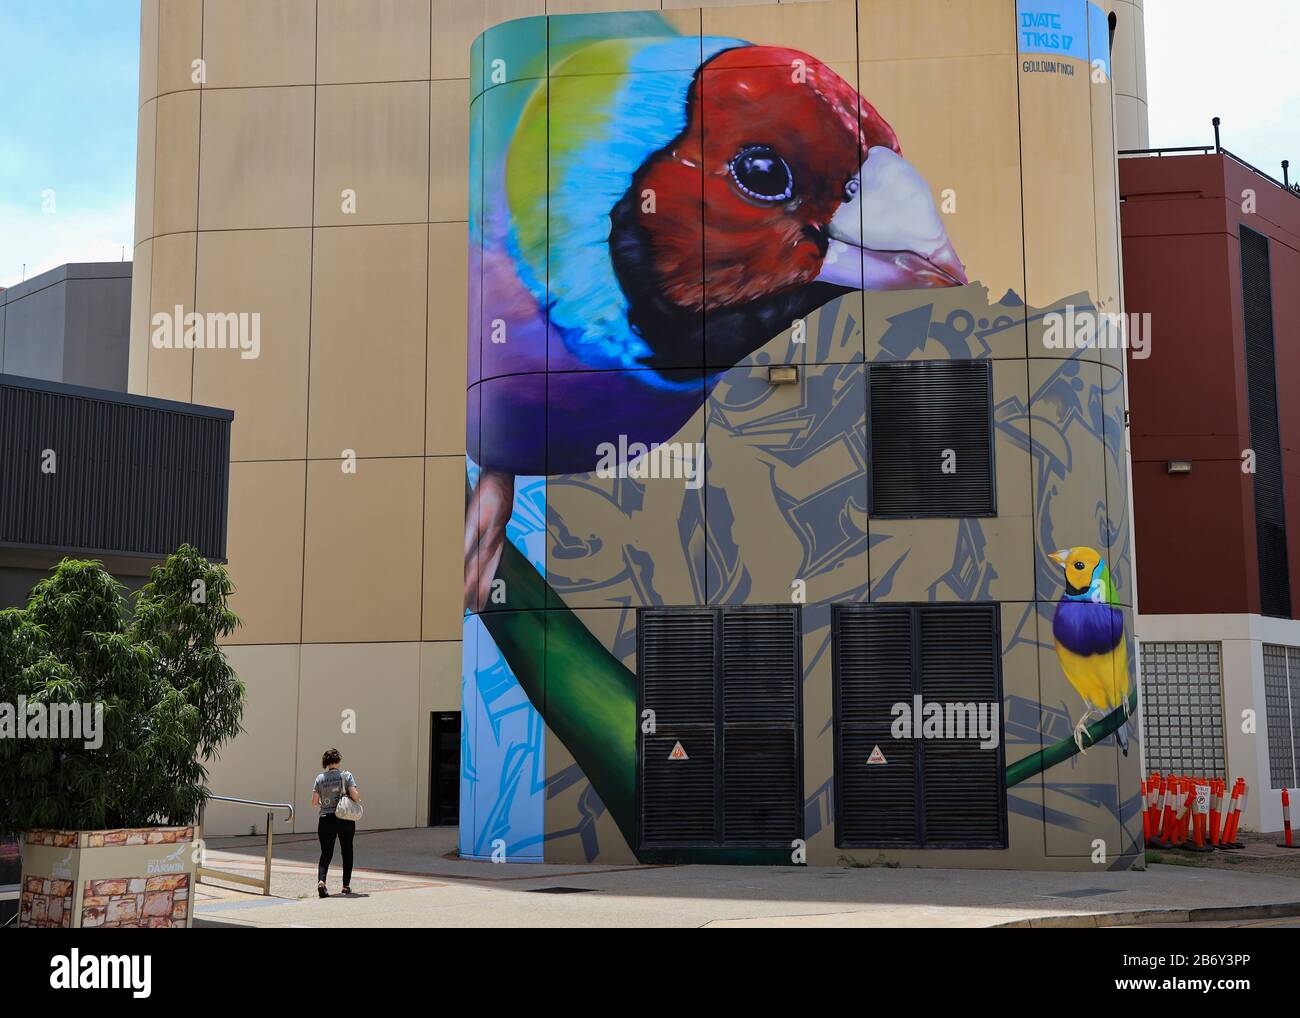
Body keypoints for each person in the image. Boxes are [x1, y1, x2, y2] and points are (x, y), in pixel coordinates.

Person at [311, 748, 361, 897]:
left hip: (326, 818)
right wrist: (355, 797)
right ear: (338, 760)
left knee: (326, 853)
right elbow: (355, 795)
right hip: (344, 818)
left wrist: (325, 802)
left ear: (325, 763)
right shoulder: (346, 776)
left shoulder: (320, 778)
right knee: (347, 851)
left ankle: (322, 881)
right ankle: (345, 886)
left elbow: (314, 802)